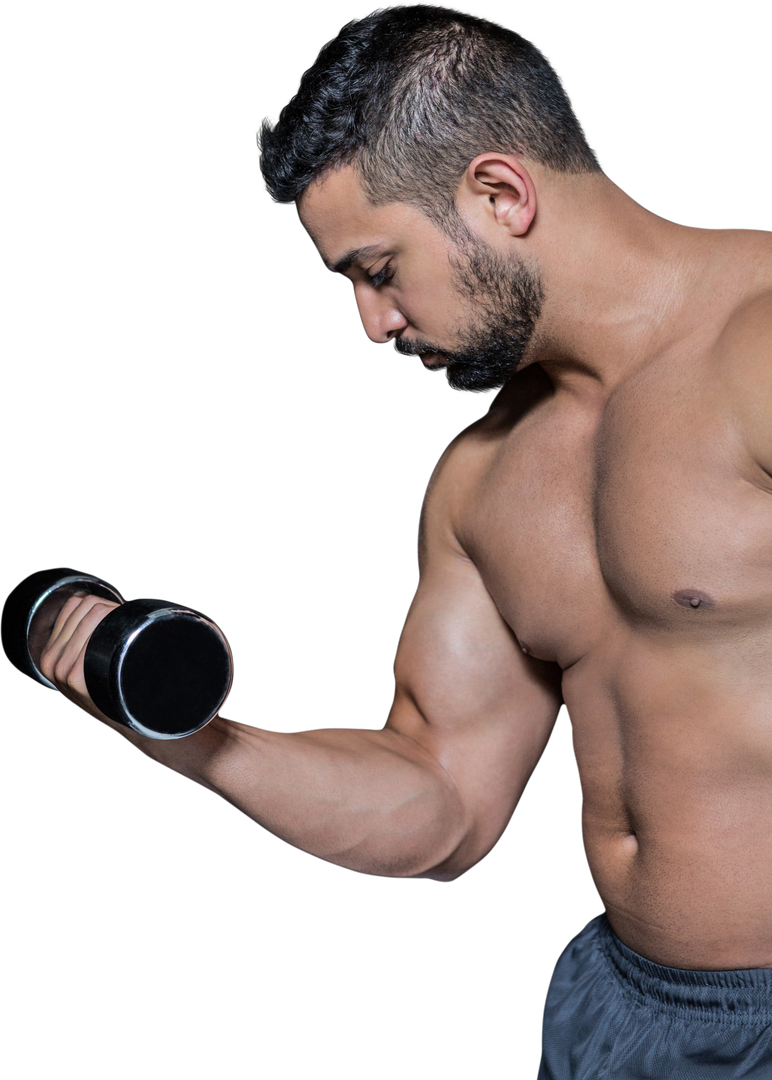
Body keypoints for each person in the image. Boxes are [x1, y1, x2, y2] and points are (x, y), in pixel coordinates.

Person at [33, 6, 770, 1076]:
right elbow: (443, 804)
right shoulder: (485, 475)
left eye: (378, 270)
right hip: (621, 1013)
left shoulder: (757, 346)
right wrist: (194, 741)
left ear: (498, 193)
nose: (373, 324)